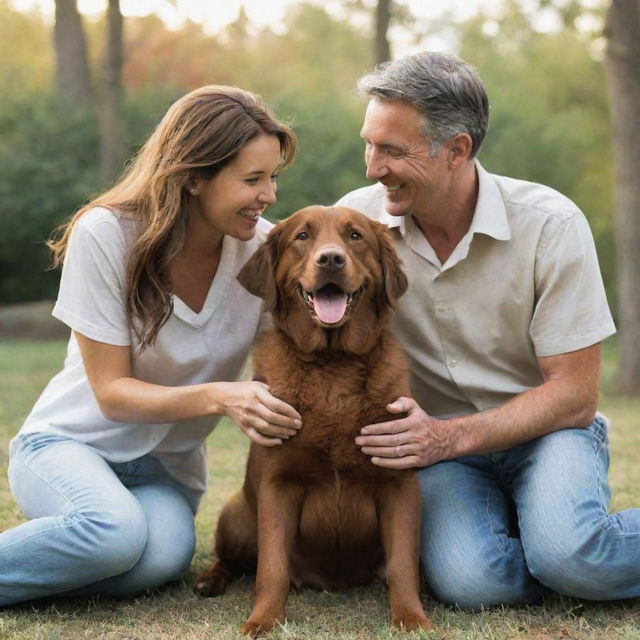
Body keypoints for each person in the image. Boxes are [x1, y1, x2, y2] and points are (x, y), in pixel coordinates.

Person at [338, 51, 640, 609]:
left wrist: (448, 436)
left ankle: (560, 550)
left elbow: (575, 394)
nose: (372, 167)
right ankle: (546, 545)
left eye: (393, 151)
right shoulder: (356, 227)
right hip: (440, 455)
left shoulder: (551, 225)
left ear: (457, 150)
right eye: (370, 144)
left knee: (573, 557)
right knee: (474, 584)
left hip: (547, 434)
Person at [0, 85, 302, 606]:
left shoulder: (265, 253)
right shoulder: (106, 234)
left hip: (166, 473)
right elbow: (112, 394)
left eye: (273, 177)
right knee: (113, 534)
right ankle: (86, 543)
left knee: (159, 560)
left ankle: (65, 560)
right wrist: (221, 396)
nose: (269, 195)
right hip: (69, 446)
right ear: (192, 178)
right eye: (252, 180)